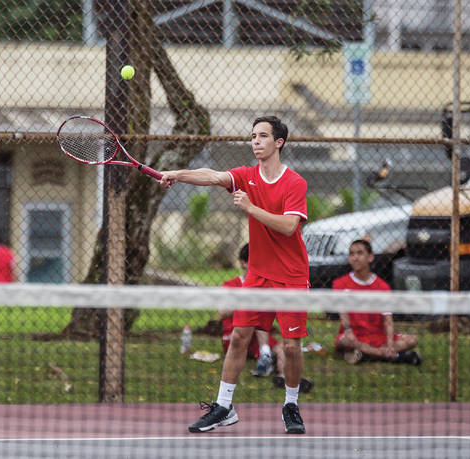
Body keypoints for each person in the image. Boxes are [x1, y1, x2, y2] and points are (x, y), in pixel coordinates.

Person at [159, 115, 310, 434]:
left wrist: (250, 208)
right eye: (253, 136)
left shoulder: (294, 182)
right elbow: (211, 176)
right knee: (240, 335)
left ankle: (291, 405)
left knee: (292, 346)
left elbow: (288, 226)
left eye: (263, 136)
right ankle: (224, 406)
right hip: (258, 274)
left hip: (291, 275)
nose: (255, 141)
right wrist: (177, 174)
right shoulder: (244, 175)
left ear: (278, 142)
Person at [220, 244, 314, 393]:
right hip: (235, 335)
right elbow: (222, 312)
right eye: (253, 261)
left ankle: (283, 376)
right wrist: (248, 300)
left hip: (259, 336)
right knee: (252, 321)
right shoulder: (232, 285)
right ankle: (265, 356)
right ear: (243, 263)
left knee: (282, 348)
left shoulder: (268, 286)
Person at [333, 239, 421, 366]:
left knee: (411, 340)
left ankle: (367, 355)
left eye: (359, 253)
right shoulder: (340, 283)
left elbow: (388, 319)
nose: (355, 258)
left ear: (370, 257)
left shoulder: (382, 286)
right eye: (352, 254)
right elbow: (343, 314)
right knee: (343, 341)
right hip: (355, 336)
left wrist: (390, 344)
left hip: (378, 336)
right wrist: (348, 331)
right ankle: (393, 356)